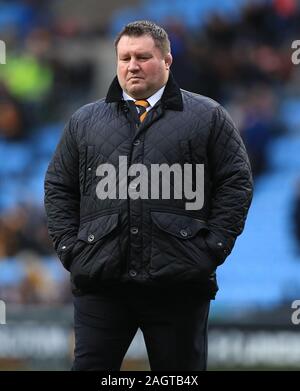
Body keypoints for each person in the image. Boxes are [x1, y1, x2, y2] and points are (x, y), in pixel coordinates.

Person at [44, 20, 253, 371]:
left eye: (142, 57)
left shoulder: (208, 116)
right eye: (124, 58)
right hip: (101, 282)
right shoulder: (84, 121)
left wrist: (211, 249)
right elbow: (58, 187)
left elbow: (236, 183)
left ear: (167, 61)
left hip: (179, 286)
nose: (132, 65)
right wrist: (70, 250)